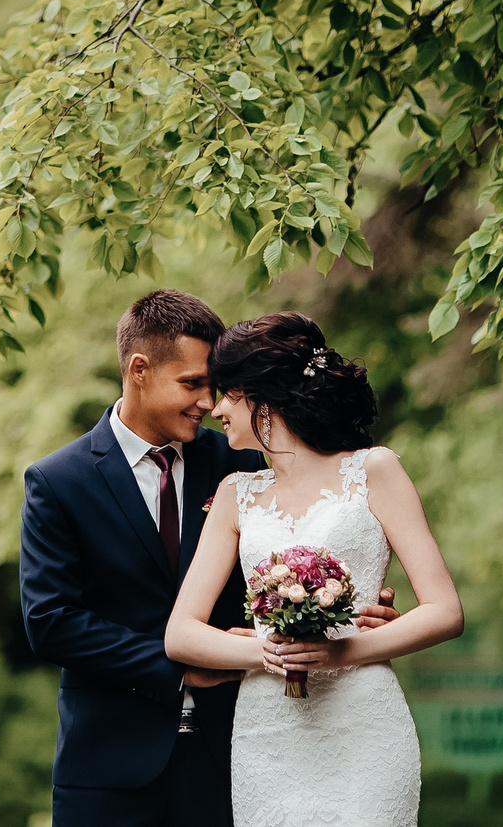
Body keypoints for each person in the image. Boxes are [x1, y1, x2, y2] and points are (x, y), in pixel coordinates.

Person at [18, 292, 396, 827]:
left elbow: (304, 556)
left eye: (213, 387)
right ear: (139, 370)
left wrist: (354, 606)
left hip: (238, 754)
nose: (207, 402)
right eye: (192, 384)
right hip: (108, 767)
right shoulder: (59, 481)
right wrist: (179, 667)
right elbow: (51, 622)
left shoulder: (243, 465)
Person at [164, 312, 462, 827]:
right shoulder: (237, 495)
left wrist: (342, 650)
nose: (213, 409)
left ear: (263, 398)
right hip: (268, 736)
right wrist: (267, 651)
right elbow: (181, 635)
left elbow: (444, 611)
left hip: (364, 729)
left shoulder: (375, 470)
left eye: (227, 394)